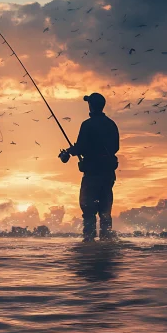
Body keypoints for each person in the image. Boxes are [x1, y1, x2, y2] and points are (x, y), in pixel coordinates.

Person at [59, 93, 119, 242]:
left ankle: (89, 245)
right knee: (105, 212)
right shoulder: (111, 124)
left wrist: (67, 152)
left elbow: (80, 147)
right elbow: (115, 147)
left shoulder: (88, 124)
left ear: (91, 105)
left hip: (92, 175)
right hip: (108, 175)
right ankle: (106, 243)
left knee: (89, 212)